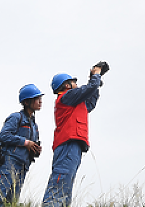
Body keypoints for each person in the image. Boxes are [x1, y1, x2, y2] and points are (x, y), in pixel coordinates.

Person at [41, 62, 108, 207]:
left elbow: (90, 100)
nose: (76, 84)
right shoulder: (66, 97)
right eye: (74, 82)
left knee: (66, 184)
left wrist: (96, 79)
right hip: (67, 144)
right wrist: (95, 76)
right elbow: (89, 88)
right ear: (66, 85)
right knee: (60, 181)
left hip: (73, 145)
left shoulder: (74, 101)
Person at [0, 84, 43, 207]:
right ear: (27, 101)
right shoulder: (16, 117)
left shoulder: (34, 124)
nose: (40, 101)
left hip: (23, 166)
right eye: (37, 98)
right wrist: (26, 142)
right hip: (8, 163)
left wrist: (35, 149)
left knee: (11, 202)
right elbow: (4, 135)